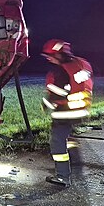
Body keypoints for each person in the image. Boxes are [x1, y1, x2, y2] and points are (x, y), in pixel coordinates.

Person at [41, 39, 93, 187]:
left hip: (65, 112)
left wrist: (45, 104)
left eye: (50, 56)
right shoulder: (82, 64)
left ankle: (62, 176)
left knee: (57, 142)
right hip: (81, 110)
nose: (49, 59)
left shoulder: (59, 71)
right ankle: (75, 164)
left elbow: (57, 94)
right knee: (68, 138)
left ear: (59, 54)